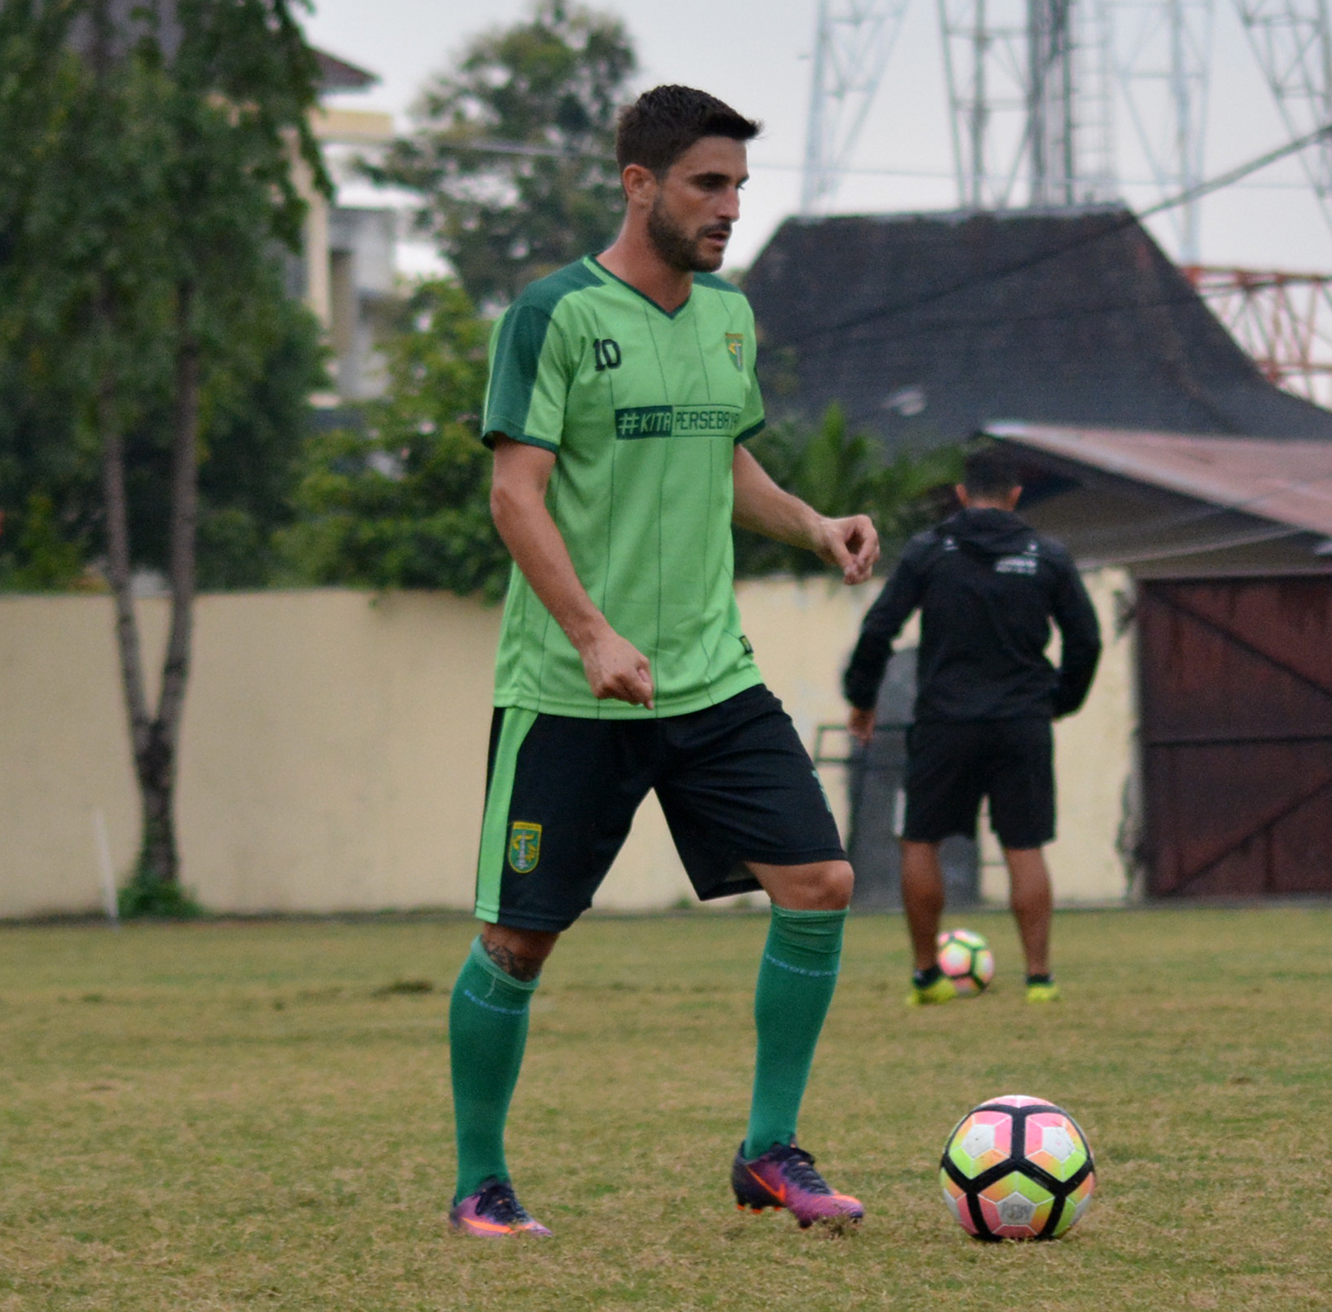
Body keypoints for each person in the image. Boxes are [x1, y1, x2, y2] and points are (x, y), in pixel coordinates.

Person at [447, 85, 881, 1240]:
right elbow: (513, 492)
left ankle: (766, 1150)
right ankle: (478, 1182)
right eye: (707, 183)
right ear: (639, 184)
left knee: (821, 882)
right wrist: (589, 632)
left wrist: (813, 524)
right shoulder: (548, 316)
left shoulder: (728, 317)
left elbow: (724, 464)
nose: (729, 207)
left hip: (711, 678)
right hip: (568, 689)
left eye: (738, 185)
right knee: (516, 942)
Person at [842, 444, 1101, 1008]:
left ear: (962, 495)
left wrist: (862, 699)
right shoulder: (1046, 553)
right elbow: (1087, 640)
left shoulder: (930, 550)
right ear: (1014, 495)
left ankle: (926, 975)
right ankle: (1039, 980)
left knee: (921, 840)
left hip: (945, 723)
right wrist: (1060, 701)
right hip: (1022, 722)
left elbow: (878, 628)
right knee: (1025, 844)